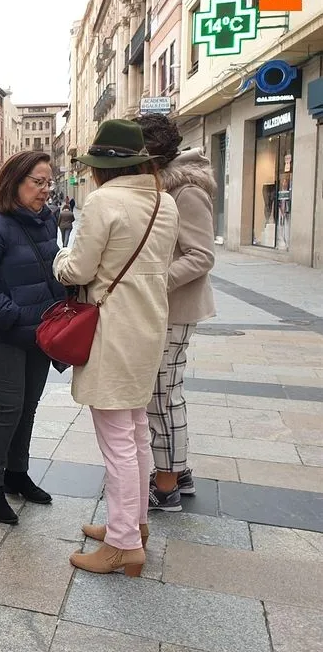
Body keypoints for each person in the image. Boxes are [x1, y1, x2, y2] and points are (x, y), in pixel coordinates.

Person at [53, 119, 178, 576]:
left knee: (117, 441)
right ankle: (134, 522)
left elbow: (79, 269)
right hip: (148, 327)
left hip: (111, 329)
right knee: (136, 429)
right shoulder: (164, 202)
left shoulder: (104, 201)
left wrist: (59, 258)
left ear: (103, 167)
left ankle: (124, 542)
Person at [0, 152, 66, 525]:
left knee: (27, 408)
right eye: (37, 182)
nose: (45, 190)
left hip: (38, 333)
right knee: (6, 408)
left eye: (48, 182)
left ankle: (16, 476)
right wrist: (12, 316)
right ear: (15, 182)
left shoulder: (46, 221)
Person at [135, 114, 216, 512]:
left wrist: (154, 280)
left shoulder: (186, 191)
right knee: (167, 393)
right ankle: (177, 470)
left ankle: (165, 486)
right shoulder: (168, 186)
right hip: (166, 307)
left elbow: (202, 255)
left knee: (160, 397)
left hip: (175, 308)